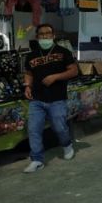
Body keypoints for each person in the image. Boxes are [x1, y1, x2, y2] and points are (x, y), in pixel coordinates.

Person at [22, 24, 79, 173]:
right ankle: (37, 159)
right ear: (37, 37)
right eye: (42, 34)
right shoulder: (31, 55)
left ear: (53, 36)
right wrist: (27, 86)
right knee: (33, 129)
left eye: (48, 33)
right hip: (37, 99)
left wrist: (55, 77)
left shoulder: (63, 52)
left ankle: (67, 145)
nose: (45, 36)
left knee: (59, 127)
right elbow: (29, 73)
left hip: (57, 98)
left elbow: (74, 71)